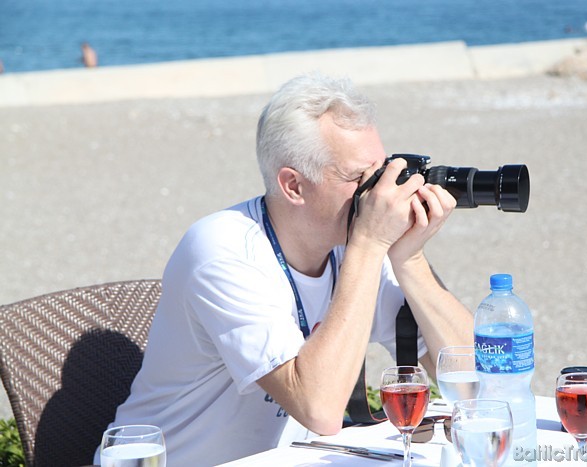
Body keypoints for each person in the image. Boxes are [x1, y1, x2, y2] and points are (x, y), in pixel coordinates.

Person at [102, 73, 473, 466]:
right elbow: (320, 408)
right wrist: (369, 246)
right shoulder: (223, 250)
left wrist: (409, 259)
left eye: (380, 173)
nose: (380, 193)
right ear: (293, 185)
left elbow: (474, 386)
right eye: (357, 178)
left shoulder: (356, 245)